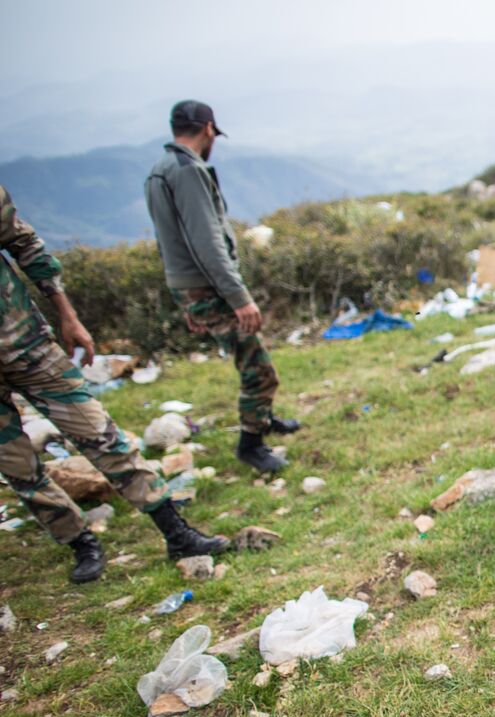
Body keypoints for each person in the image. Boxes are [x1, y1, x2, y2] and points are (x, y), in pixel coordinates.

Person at [0, 185, 228, 584]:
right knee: (17, 466)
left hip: (27, 345)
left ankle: (176, 532)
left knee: (101, 435)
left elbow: (24, 244)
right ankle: (80, 541)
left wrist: (66, 315)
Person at [145, 100, 299, 473]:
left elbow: (169, 243)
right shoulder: (187, 171)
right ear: (209, 129)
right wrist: (238, 297)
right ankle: (252, 445)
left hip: (193, 287)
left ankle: (262, 419)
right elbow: (207, 242)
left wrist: (183, 297)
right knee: (258, 368)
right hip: (210, 288)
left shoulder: (159, 171)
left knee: (250, 358)